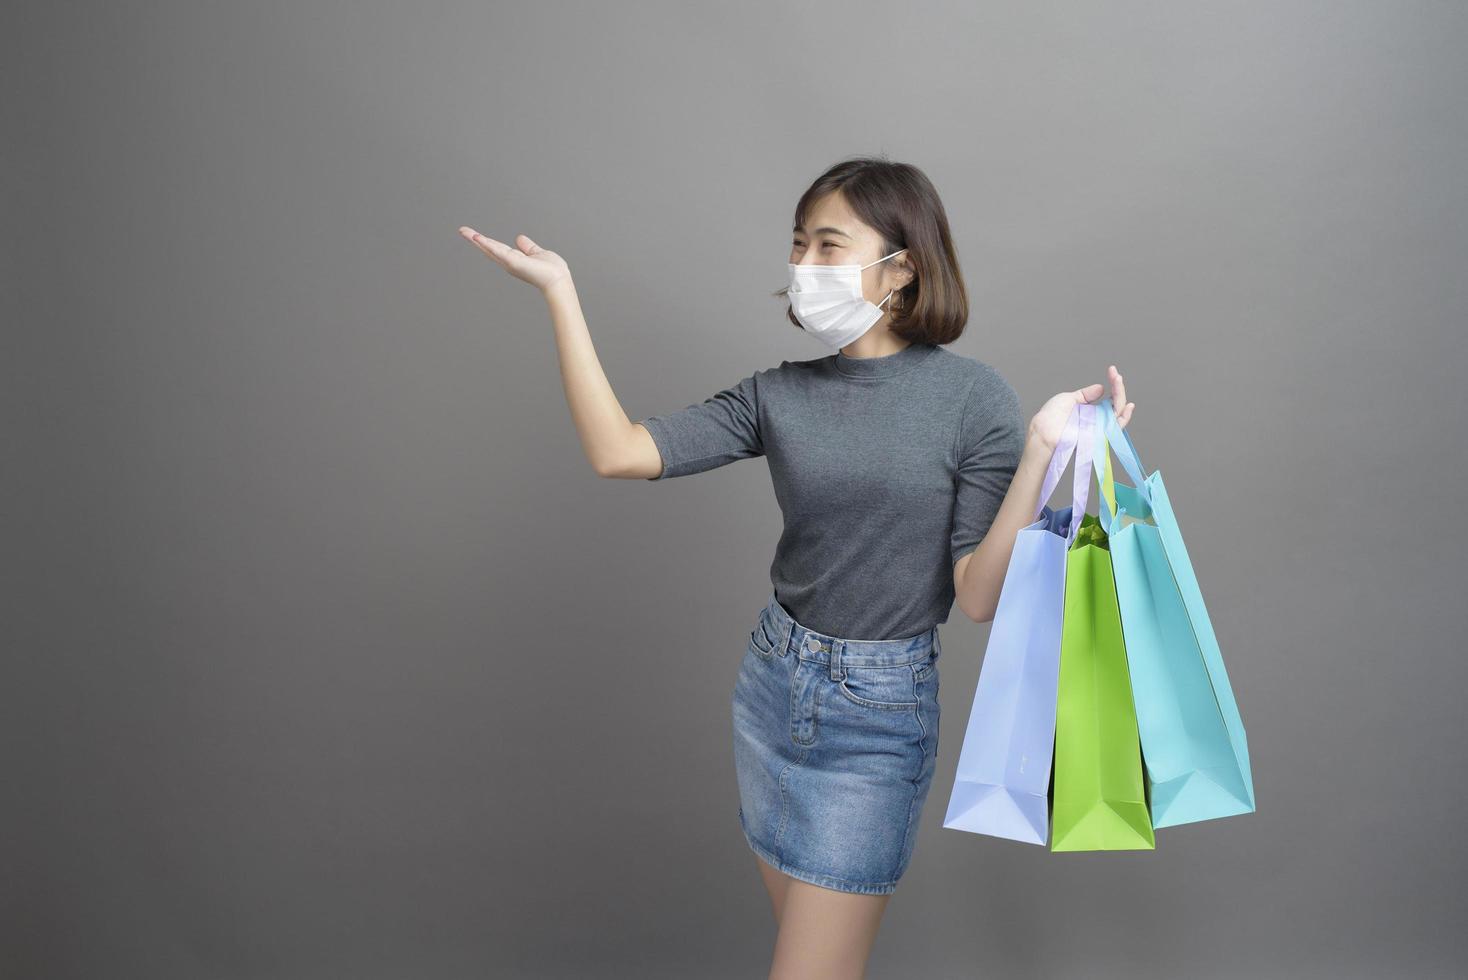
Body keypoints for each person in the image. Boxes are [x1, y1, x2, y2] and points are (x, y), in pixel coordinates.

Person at [459, 156, 1135, 979]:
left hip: (876, 720)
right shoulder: (777, 395)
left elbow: (978, 595)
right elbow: (617, 451)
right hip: (772, 690)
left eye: (828, 245)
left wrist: (1036, 455)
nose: (802, 267)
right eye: (798, 245)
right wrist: (561, 295)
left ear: (902, 267)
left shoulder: (972, 400)